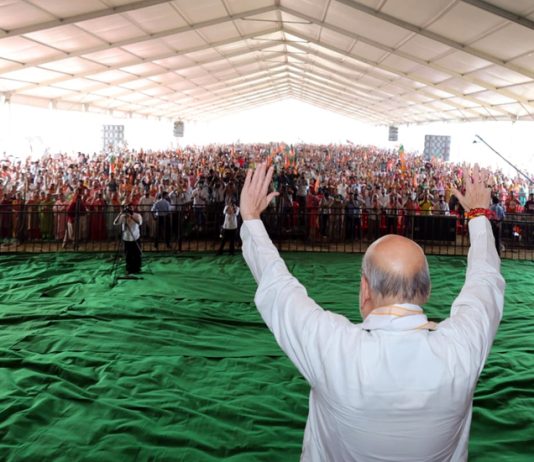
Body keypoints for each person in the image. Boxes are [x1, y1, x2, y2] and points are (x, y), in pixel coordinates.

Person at [239, 163, 504, 461]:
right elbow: (485, 281)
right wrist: (478, 215)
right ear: (426, 291)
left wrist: (251, 218)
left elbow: (278, 286)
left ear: (365, 289)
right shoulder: (461, 349)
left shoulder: (333, 347)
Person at [113, 203, 142, 275]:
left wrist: (131, 217)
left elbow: (139, 223)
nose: (129, 209)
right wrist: (120, 213)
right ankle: (129, 269)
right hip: (126, 238)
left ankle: (137, 268)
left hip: (135, 237)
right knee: (128, 254)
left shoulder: (137, 215)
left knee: (137, 254)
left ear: (133, 208)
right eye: (128, 208)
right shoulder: (123, 216)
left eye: (131, 208)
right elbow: (115, 223)